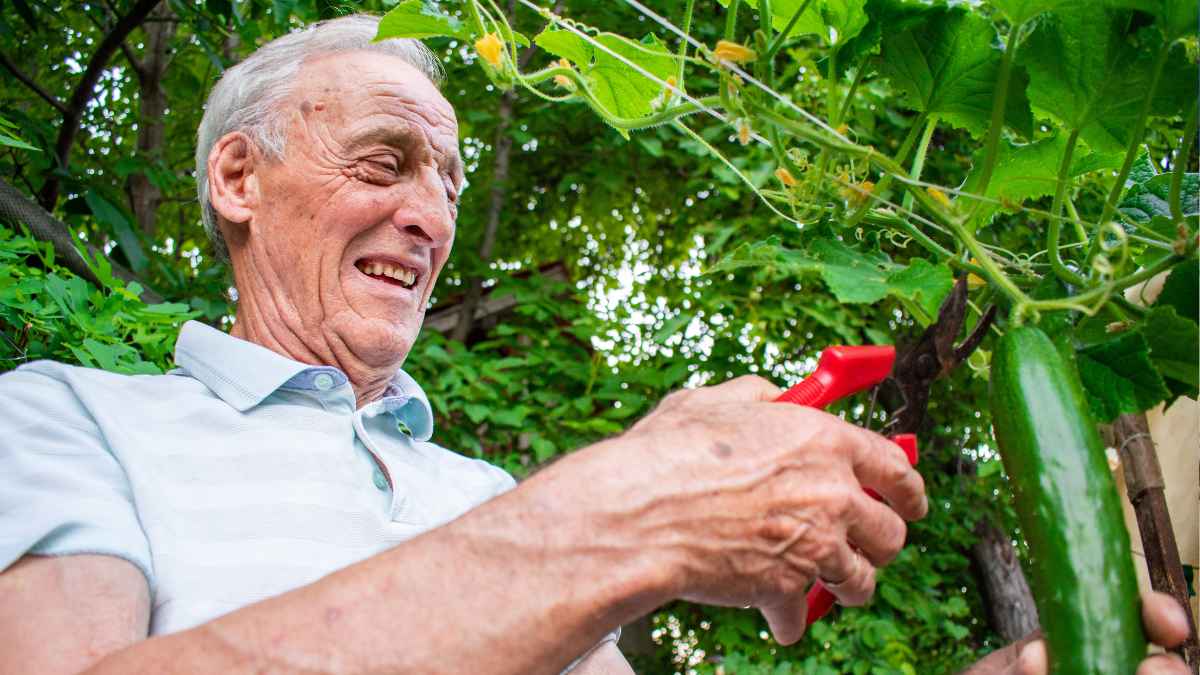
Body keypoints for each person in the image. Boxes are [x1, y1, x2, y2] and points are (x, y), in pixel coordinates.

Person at [0, 14, 1189, 675]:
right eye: (385, 162)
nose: (431, 215)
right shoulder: (61, 418)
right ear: (236, 177)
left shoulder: (479, 491)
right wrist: (628, 507)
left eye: (452, 183)